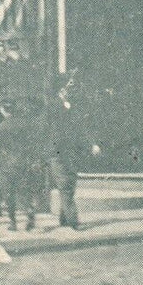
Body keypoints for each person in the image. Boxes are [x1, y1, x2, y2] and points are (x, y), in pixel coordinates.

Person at [0, 99, 40, 232]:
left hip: (6, 164)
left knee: (8, 194)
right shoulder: (25, 124)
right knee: (24, 191)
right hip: (24, 162)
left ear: (3, 110)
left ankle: (13, 222)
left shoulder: (1, 126)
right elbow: (32, 144)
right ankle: (29, 210)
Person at [45, 78, 86, 231]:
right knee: (65, 184)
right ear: (60, 90)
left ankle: (64, 217)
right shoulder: (53, 106)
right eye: (66, 87)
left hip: (69, 151)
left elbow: (79, 127)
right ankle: (73, 220)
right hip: (56, 151)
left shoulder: (70, 105)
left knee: (69, 182)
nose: (69, 90)